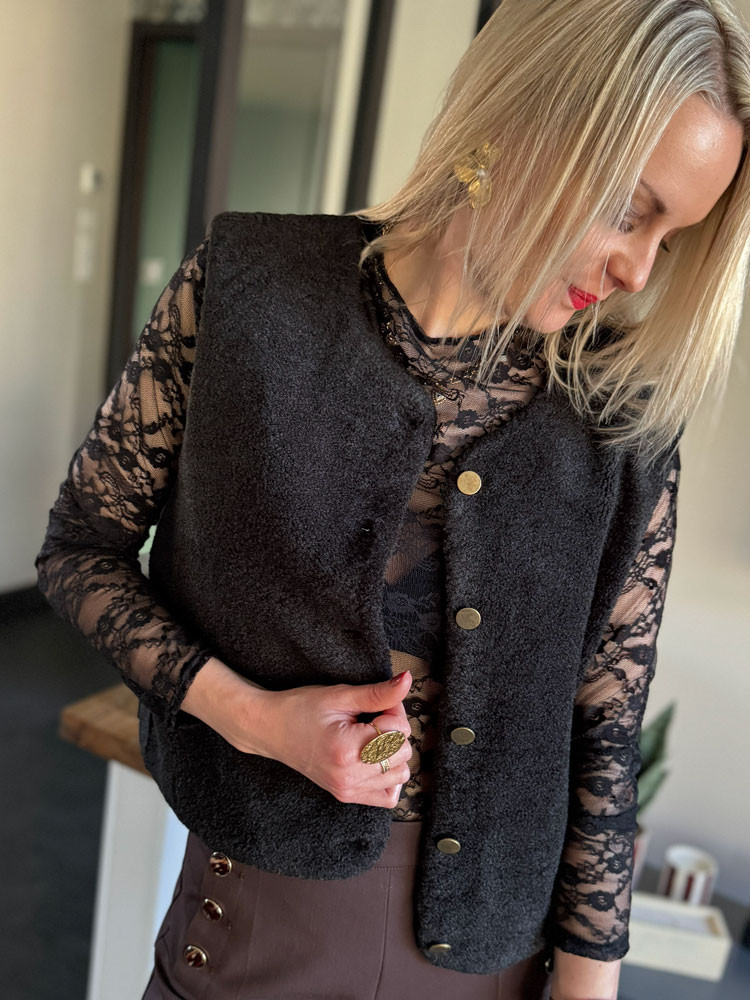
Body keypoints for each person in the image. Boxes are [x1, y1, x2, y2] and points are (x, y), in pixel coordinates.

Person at [34, 1, 750, 998]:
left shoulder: (621, 414)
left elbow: (606, 731)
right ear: (521, 125)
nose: (636, 270)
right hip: (258, 932)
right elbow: (80, 551)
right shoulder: (249, 292)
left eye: (670, 242)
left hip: (494, 962)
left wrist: (588, 985)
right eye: (631, 210)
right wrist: (253, 718)